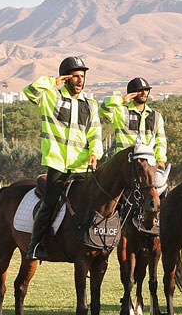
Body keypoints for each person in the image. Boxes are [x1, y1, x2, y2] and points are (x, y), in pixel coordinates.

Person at [24, 56, 103, 261]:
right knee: (49, 202)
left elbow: (95, 134)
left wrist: (95, 153)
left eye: (82, 76)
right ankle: (35, 245)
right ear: (66, 78)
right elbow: (30, 91)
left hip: (82, 166)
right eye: (75, 76)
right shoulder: (50, 97)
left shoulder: (91, 105)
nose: (80, 81)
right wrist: (52, 81)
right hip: (57, 163)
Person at [100, 77, 168, 168]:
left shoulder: (156, 116)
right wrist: (122, 100)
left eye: (147, 90)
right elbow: (103, 108)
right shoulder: (121, 112)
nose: (144, 93)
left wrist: (161, 160)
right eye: (140, 90)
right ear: (132, 93)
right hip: (123, 165)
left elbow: (160, 141)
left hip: (147, 166)